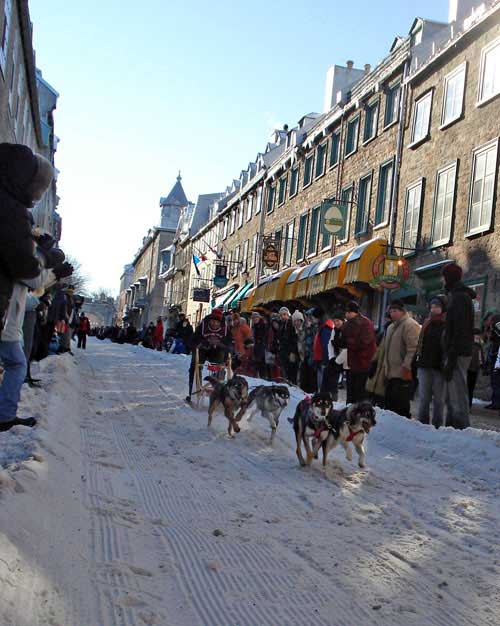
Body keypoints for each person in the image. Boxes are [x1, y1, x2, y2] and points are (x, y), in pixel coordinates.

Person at [441, 263, 475, 429]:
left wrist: (452, 354)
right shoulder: (457, 295)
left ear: (449, 278)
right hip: (456, 350)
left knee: (458, 393)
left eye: (444, 276)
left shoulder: (460, 297)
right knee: (452, 393)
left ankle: (461, 429)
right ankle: (452, 427)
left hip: (458, 351)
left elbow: (460, 328)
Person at [383, 300, 421, 419]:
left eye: (395, 311)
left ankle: (403, 429)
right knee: (390, 404)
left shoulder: (410, 325)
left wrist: (407, 367)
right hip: (390, 372)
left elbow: (413, 348)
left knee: (401, 406)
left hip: (403, 372)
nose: (392, 314)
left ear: (402, 312)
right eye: (391, 311)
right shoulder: (390, 327)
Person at [185, 308, 232, 403]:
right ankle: (193, 392)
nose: (215, 324)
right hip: (203, 350)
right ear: (210, 320)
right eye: (213, 321)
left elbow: (230, 345)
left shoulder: (225, 330)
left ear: (220, 322)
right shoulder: (203, 326)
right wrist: (204, 342)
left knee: (221, 365)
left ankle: (219, 390)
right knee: (195, 366)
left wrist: (220, 344)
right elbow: (193, 341)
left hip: (217, 352)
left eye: (217, 322)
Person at [416, 296, 447, 427]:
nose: (434, 309)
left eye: (437, 307)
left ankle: (437, 425)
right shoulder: (426, 323)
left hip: (439, 367)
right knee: (424, 398)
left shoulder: (447, 324)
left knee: (439, 399)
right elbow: (420, 343)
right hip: (424, 365)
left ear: (443, 308)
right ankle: (422, 423)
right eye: (432, 306)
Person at [341, 301, 377, 404]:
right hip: (351, 363)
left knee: (360, 393)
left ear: (353, 312)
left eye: (347, 312)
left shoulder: (366, 323)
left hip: (363, 363)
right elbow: (344, 338)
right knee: (351, 392)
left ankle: (360, 412)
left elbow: (364, 342)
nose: (346, 314)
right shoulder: (348, 323)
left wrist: (347, 342)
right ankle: (349, 411)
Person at [312, 308, 334, 392]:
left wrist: (325, 360)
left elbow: (325, 345)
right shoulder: (323, 326)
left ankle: (322, 395)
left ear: (318, 317)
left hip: (322, 359)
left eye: (314, 317)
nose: (313, 320)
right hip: (320, 358)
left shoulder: (325, 328)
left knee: (322, 381)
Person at [277, 307, 299, 384]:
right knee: (285, 371)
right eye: (281, 315)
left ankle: (292, 385)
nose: (283, 316)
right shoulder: (281, 324)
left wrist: (293, 352)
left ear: (288, 314)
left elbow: (294, 338)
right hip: (283, 351)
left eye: (284, 314)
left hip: (290, 351)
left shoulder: (291, 324)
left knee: (291, 371)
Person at [468, 328, 484, 408]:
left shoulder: (478, 345)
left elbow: (480, 357)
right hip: (470, 369)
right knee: (469, 388)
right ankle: (468, 405)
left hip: (473, 369)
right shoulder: (475, 345)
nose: (479, 337)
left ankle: (468, 405)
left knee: (470, 388)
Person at [251, 311, 268, 378]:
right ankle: (261, 377)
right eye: (253, 318)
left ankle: (263, 377)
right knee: (259, 363)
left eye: (256, 317)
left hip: (262, 347)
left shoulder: (262, 325)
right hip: (258, 347)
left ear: (258, 317)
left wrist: (260, 341)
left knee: (262, 364)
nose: (255, 319)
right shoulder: (255, 326)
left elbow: (264, 336)